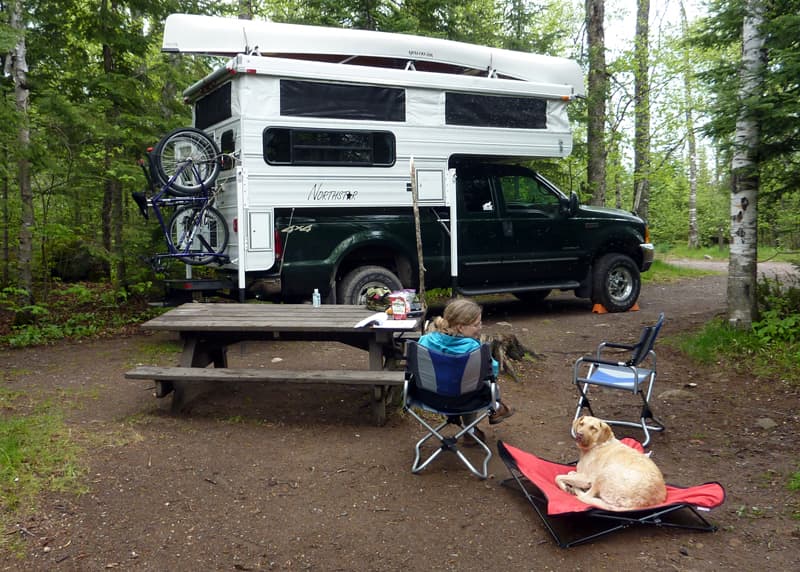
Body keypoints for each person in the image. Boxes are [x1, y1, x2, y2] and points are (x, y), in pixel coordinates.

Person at [417, 297, 514, 442]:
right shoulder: (475, 349)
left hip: (430, 398)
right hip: (466, 400)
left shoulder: (424, 341)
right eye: (476, 324)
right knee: (477, 386)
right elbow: (492, 372)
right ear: (460, 327)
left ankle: (474, 427)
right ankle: (483, 418)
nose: (480, 327)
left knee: (467, 385)